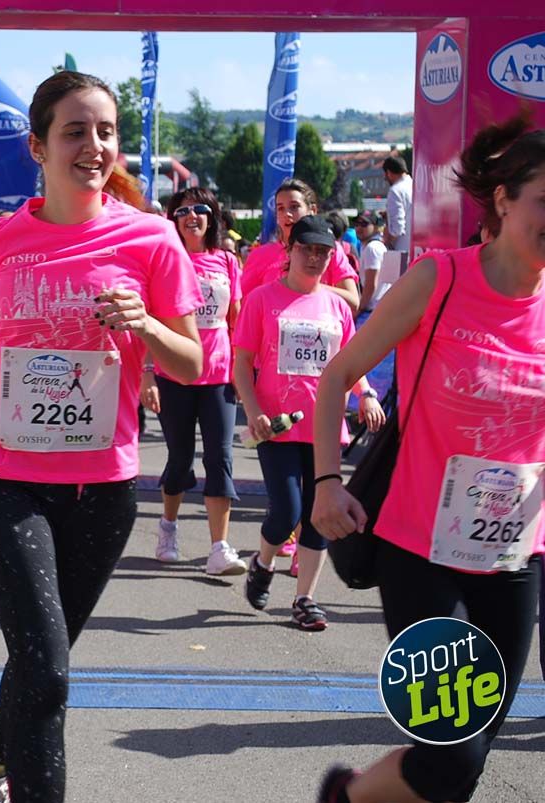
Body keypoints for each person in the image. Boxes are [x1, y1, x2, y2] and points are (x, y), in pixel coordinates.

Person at [0, 71, 204, 803]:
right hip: (4, 483)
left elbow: (195, 359)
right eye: (75, 131)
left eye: (105, 131)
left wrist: (144, 322)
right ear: (39, 147)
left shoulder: (151, 238)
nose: (94, 145)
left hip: (102, 491)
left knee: (39, 665)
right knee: (48, 671)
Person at [312, 114, 545, 803]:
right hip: (420, 548)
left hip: (513, 557)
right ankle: (348, 796)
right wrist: (327, 482)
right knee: (452, 753)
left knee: (463, 757)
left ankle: (351, 794)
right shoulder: (438, 280)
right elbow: (335, 376)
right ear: (502, 201)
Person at [233, 215, 385, 631]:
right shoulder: (263, 299)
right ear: (290, 250)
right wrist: (252, 410)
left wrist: (366, 395)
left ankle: (305, 599)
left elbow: (351, 364)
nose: (315, 258)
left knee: (322, 512)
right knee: (286, 511)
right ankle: (262, 564)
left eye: (323, 252)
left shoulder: (336, 305)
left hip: (326, 424)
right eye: (308, 249)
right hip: (277, 425)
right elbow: (242, 364)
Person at [144, 187, 247, 575]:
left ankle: (219, 547)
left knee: (220, 457)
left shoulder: (227, 261)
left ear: (213, 218)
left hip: (219, 375)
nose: (193, 216)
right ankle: (168, 528)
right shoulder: (164, 261)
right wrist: (147, 373)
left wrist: (242, 371)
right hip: (174, 373)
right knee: (180, 456)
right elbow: (149, 324)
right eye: (183, 210)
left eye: (201, 209)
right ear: (172, 219)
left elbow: (237, 320)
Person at [241, 179, 361, 314]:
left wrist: (310, 287)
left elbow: (353, 302)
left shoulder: (330, 249)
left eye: (294, 206)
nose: (287, 214)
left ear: (312, 210)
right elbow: (244, 308)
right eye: (280, 208)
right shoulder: (260, 255)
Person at [354, 211, 389, 314]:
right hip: (376, 310)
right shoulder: (368, 246)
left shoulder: (372, 248)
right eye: (356, 224)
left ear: (375, 227)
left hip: (372, 311)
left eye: (364, 224)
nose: (359, 228)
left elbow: (371, 284)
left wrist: (360, 309)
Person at [382, 154, 413, 254]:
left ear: (389, 173)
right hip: (416, 247)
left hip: (401, 250)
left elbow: (397, 229)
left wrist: (385, 242)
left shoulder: (395, 191)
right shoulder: (415, 186)